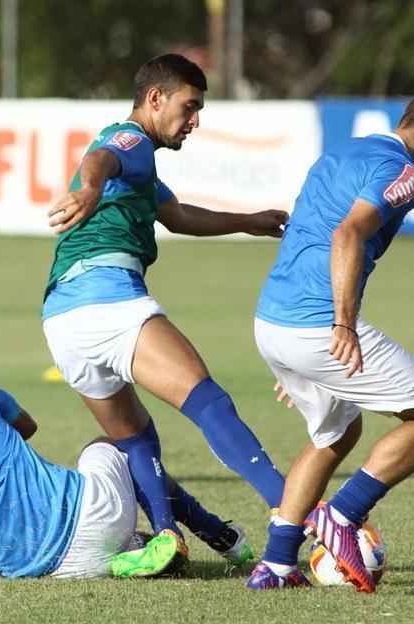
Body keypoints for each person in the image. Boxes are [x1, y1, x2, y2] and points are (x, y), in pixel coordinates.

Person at [42, 53, 288, 565]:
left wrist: (248, 220)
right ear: (155, 99)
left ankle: (167, 534)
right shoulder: (129, 140)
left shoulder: (142, 170)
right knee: (211, 404)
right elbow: (102, 157)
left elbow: (176, 215)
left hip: (61, 319)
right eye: (190, 106)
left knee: (135, 436)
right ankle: (296, 512)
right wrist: (88, 187)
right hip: (106, 298)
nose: (195, 121)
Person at [247, 99, 414, 592]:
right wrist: (340, 328)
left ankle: (276, 566)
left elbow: (309, 232)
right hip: (319, 325)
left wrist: (304, 357)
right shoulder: (403, 170)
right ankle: (342, 516)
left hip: (273, 322)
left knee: (334, 435)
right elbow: (347, 235)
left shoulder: (341, 153)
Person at [0, 347, 187, 580]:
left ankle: (127, 549)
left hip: (49, 570)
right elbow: (26, 425)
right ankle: (177, 532)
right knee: (111, 444)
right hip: (95, 514)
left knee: (98, 546)